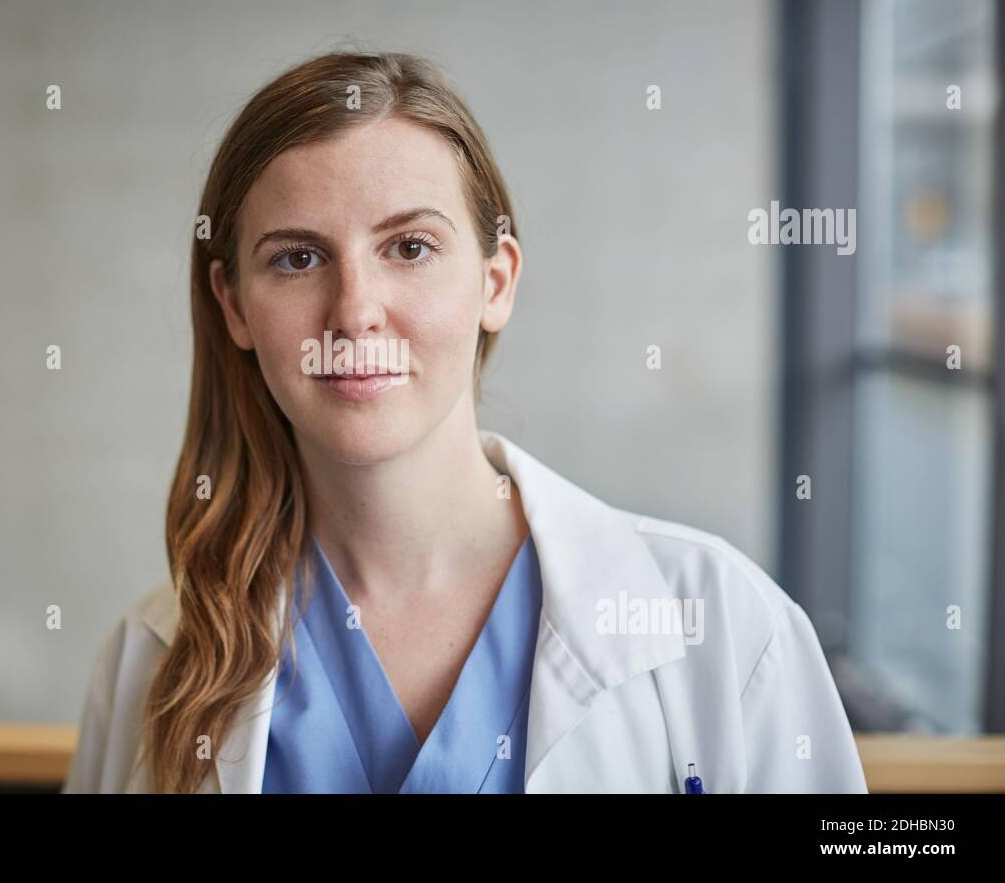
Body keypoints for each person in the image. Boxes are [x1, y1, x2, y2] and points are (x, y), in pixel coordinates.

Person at [63, 51, 868, 794]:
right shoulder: (149, 662)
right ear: (234, 304)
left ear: (496, 281)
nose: (355, 312)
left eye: (409, 247)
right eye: (297, 258)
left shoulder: (722, 624)